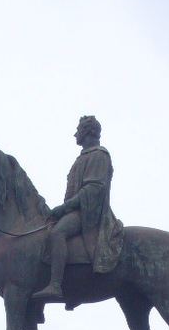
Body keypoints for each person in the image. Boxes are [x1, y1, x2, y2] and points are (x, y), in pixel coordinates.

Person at [33, 115, 124, 300]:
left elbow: (93, 189)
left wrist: (64, 208)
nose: (76, 134)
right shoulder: (82, 158)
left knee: (57, 233)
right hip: (76, 209)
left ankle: (55, 285)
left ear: (88, 132)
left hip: (89, 213)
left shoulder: (99, 155)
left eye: (79, 130)